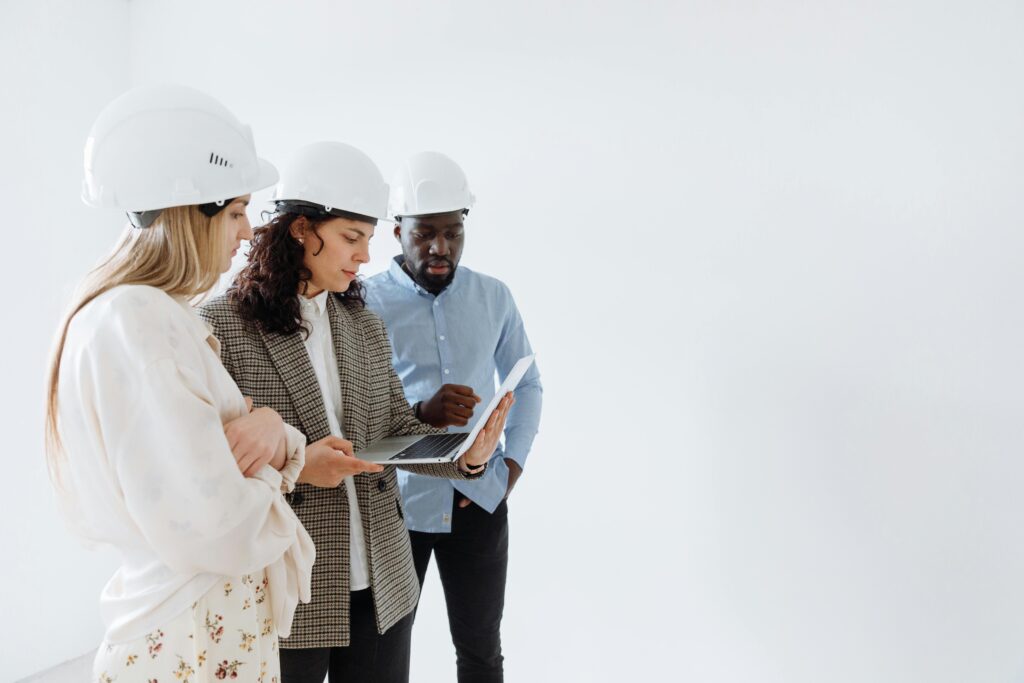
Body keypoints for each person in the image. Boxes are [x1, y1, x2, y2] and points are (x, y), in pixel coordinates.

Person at [197, 141, 513, 683]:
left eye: (368, 239)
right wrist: (298, 467)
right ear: (301, 229)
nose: (364, 256)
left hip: (383, 581)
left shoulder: (361, 322)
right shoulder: (223, 325)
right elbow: (204, 468)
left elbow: (396, 430)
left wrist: (467, 457)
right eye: (350, 238)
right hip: (290, 583)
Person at [45, 84, 315, 683]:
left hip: (194, 627)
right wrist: (277, 451)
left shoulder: (146, 316)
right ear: (191, 214)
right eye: (238, 211)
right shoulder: (137, 321)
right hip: (191, 636)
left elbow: (217, 462)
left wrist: (267, 428)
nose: (248, 233)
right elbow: (216, 522)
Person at [364, 151, 543, 682]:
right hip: (396, 509)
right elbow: (356, 409)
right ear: (398, 233)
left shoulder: (494, 297)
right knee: (384, 652)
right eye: (425, 234)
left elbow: (528, 382)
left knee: (482, 649)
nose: (440, 247)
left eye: (453, 232)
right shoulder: (363, 302)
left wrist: (509, 469)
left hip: (479, 504)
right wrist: (422, 412)